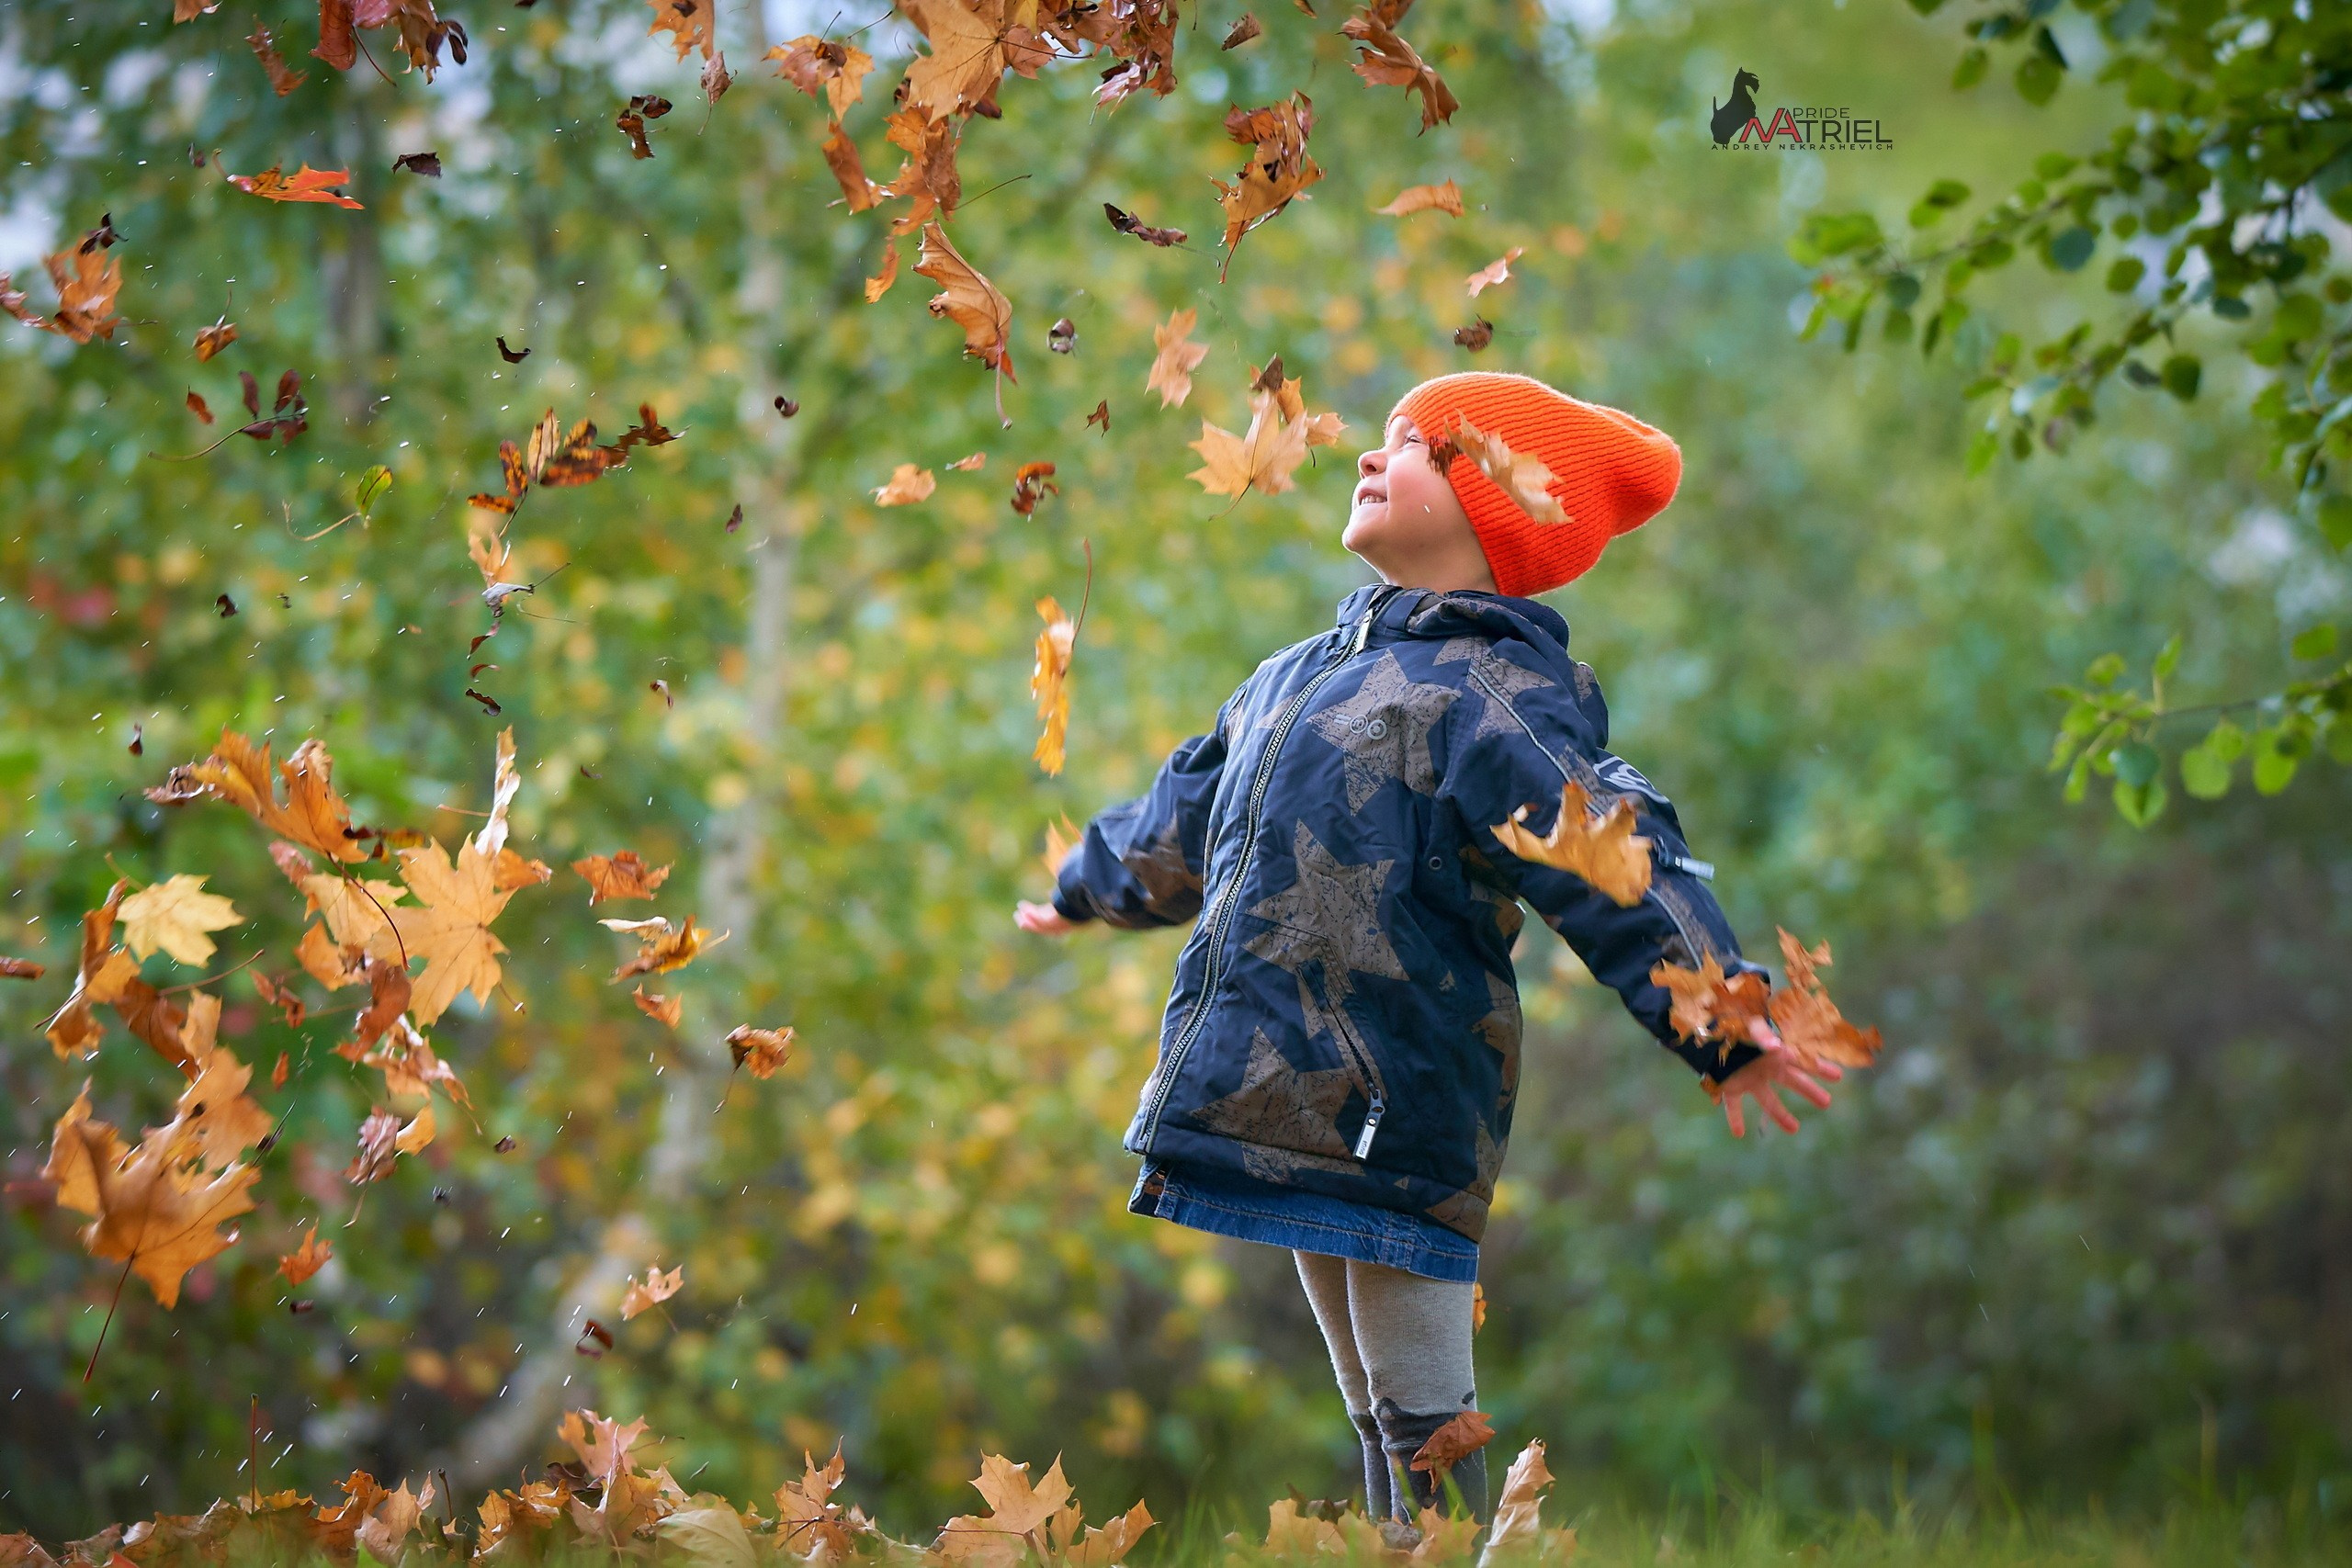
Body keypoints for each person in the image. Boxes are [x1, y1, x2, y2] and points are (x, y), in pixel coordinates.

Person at [1013, 371, 1840, 1529]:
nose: (1366, 454)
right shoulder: (1290, 679)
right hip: (1276, 1091)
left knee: (1418, 1418)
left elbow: (1608, 857)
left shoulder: (1491, 694)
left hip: (1394, 1094)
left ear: (1497, 504)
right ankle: (1408, 1553)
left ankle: (1449, 1549)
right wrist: (1085, 888)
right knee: (1370, 1415)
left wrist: (1719, 1016)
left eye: (1414, 446)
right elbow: (1187, 814)